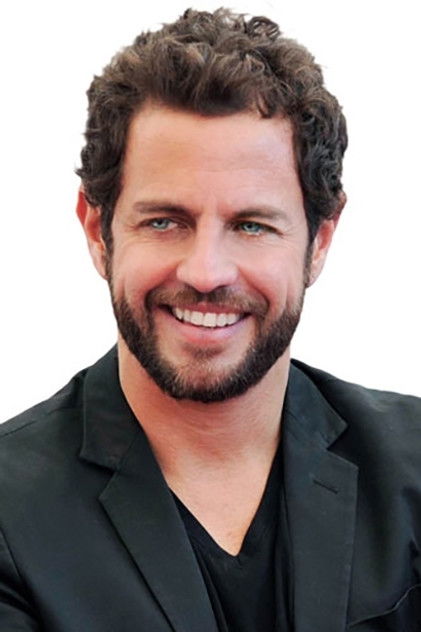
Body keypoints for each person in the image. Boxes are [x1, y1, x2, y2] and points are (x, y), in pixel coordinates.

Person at [0, 7, 420, 631]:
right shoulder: (10, 516)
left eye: (252, 226)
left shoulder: (414, 470)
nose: (205, 272)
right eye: (164, 221)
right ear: (97, 230)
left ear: (320, 240)